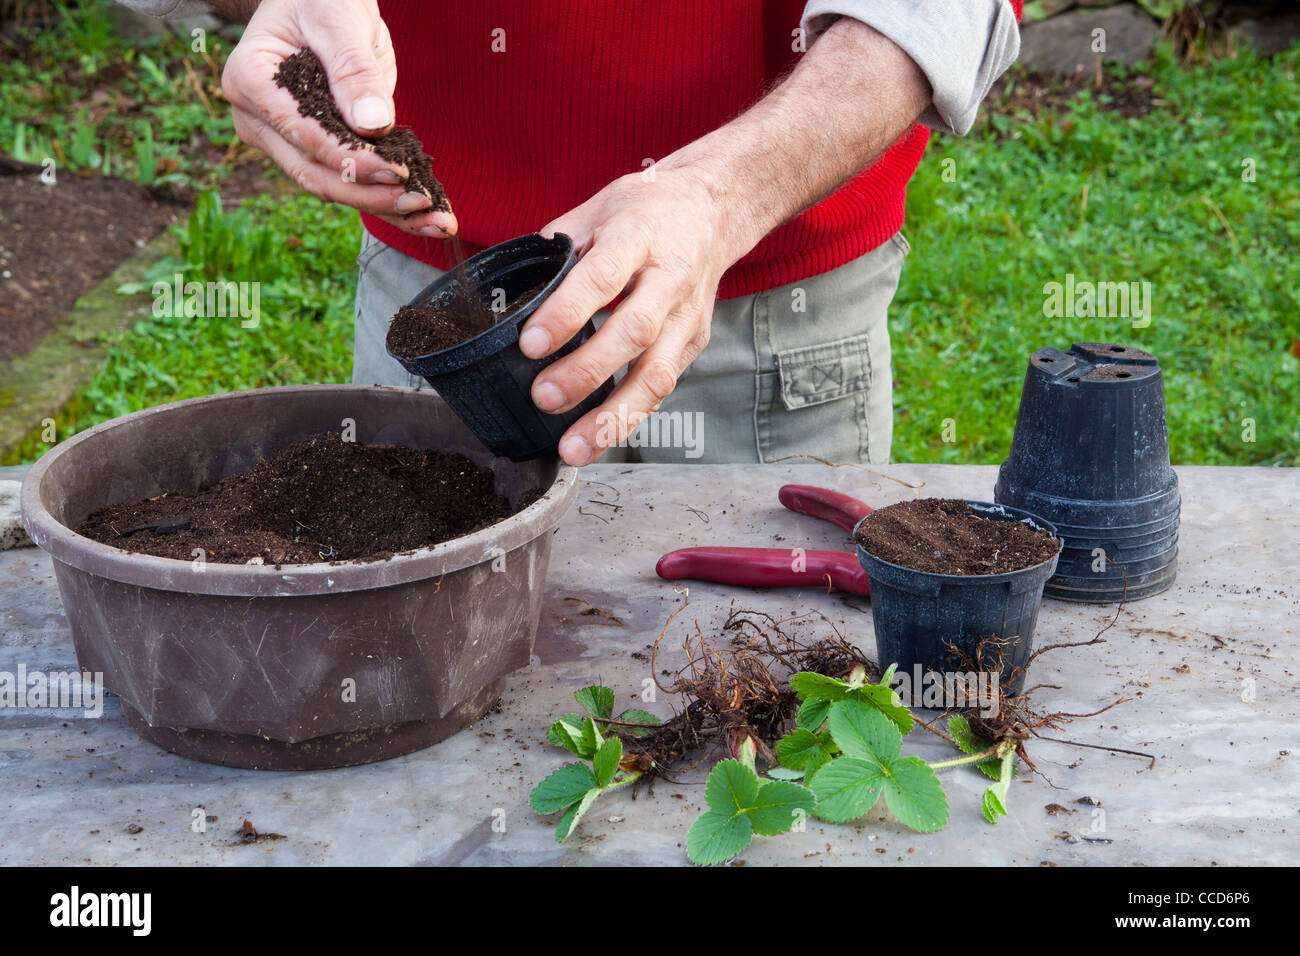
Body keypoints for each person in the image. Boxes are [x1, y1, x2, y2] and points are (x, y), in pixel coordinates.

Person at [124, 0, 1022, 465]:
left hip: (759, 308)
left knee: (761, 697)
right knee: (416, 676)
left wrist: (717, 198)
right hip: (443, 303)